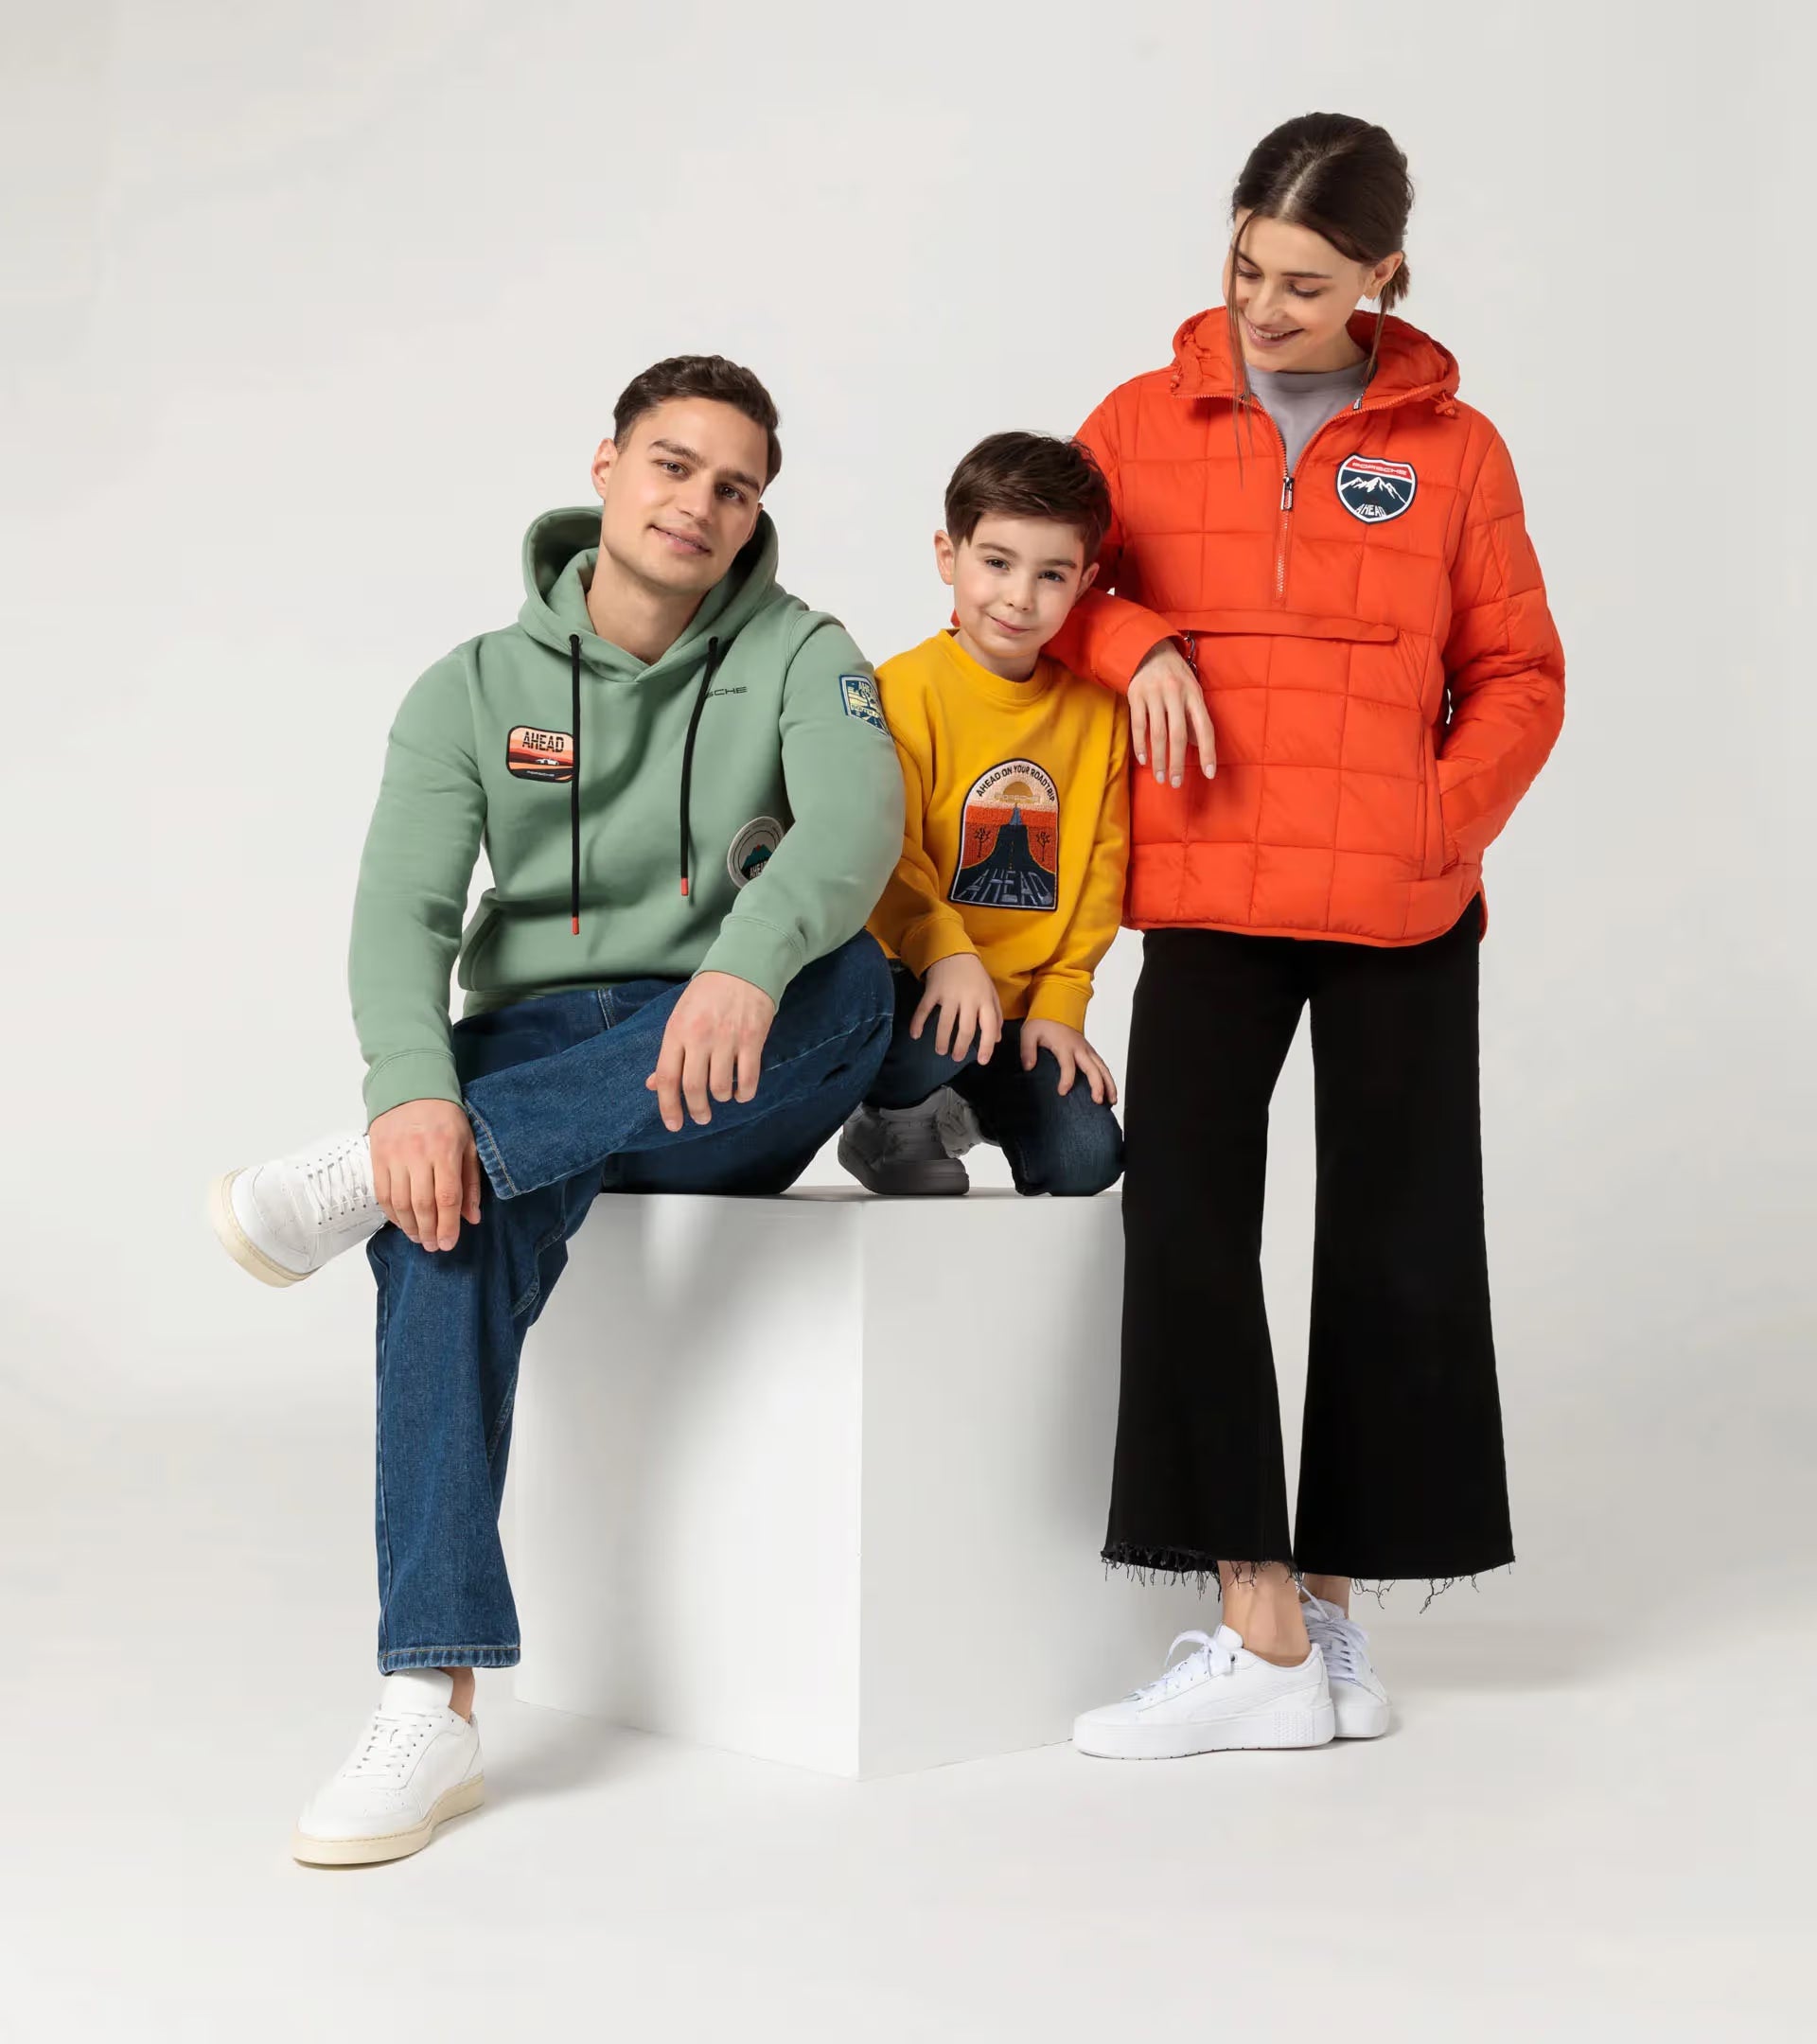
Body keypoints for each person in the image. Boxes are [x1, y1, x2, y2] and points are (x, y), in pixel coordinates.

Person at [207, 355, 904, 1861]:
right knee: (436, 1224)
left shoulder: (806, 652)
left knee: (854, 983)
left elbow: (856, 829)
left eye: (735, 487)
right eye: (673, 465)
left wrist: (744, 969)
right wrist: (411, 1095)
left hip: (733, 1065)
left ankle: (379, 1168)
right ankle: (430, 1700)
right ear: (605, 467)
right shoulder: (469, 687)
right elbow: (402, 914)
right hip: (538, 1044)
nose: (699, 504)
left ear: (757, 514)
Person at [1059, 115, 1565, 1759]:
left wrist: (1436, 819)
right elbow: (1046, 585)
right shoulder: (1137, 423)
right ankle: (1257, 1619)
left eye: (1304, 284)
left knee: (1398, 1248)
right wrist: (1133, 641)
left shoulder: (1458, 451)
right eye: (1245, 268)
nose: (1264, 309)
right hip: (1209, 890)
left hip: (1402, 903)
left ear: (1382, 278)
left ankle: (1333, 1621)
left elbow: (1520, 672)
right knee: (1188, 1234)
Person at [839, 432, 1128, 1199]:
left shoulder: (1100, 715)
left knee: (1087, 1159)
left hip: (1016, 1012)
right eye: (997, 563)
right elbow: (887, 852)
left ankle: (955, 1109)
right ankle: (893, 1110)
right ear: (948, 555)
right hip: (919, 983)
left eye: (1051, 575)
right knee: (937, 1034)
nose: (1020, 597)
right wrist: (944, 951)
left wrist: (1062, 1003)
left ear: (1085, 582)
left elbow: (1101, 875)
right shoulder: (901, 691)